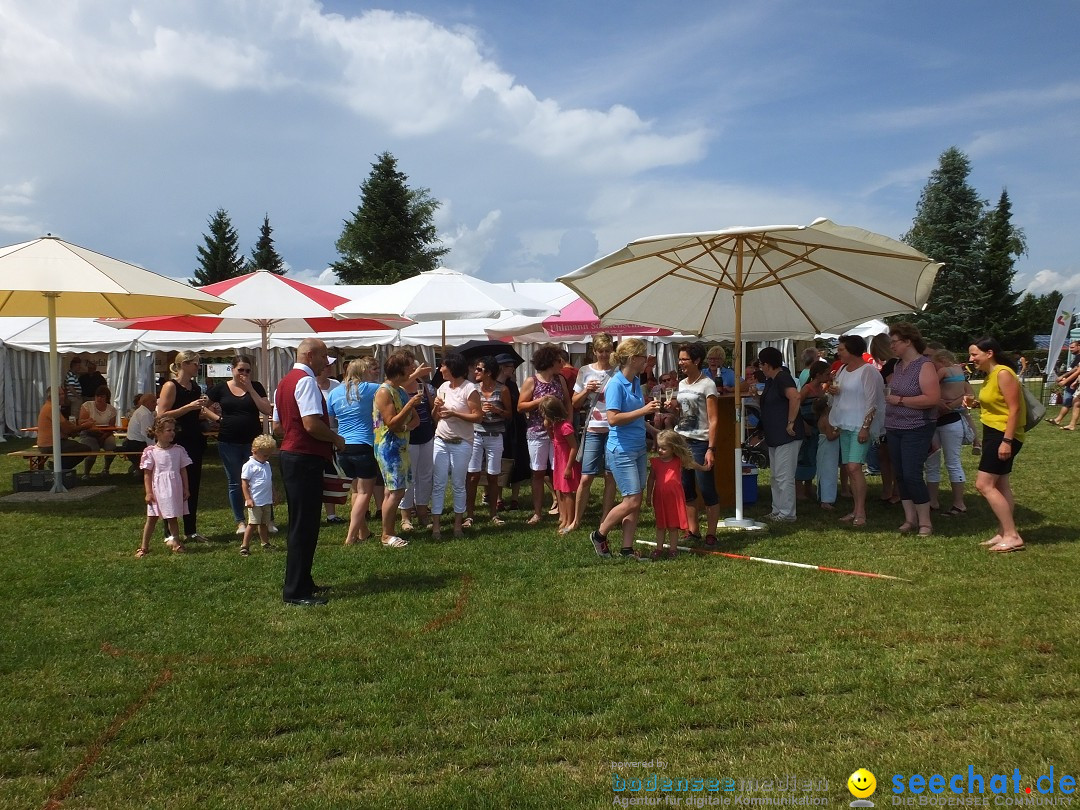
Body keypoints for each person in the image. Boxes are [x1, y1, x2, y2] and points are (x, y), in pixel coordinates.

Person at [275, 338, 345, 606]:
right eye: (323, 356)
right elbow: (311, 424)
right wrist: (336, 439)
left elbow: (280, 425)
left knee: (302, 523)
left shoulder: (285, 382)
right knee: (303, 526)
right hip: (304, 457)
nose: (325, 362)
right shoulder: (305, 382)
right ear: (311, 355)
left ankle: (303, 581)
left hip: (293, 455)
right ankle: (295, 591)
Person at [589, 337, 660, 559]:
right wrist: (644, 410)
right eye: (643, 357)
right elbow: (613, 418)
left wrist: (654, 431)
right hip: (621, 450)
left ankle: (627, 548)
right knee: (632, 499)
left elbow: (635, 418)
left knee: (635, 502)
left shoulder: (635, 382)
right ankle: (599, 534)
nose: (646, 360)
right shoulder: (616, 384)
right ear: (632, 358)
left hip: (638, 447)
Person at [967, 337, 1027, 553]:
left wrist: (1007, 441)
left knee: (984, 485)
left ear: (989, 353)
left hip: (1004, 435)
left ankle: (1012, 535)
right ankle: (1004, 532)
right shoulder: (990, 375)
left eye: (975, 354)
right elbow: (997, 404)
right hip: (994, 432)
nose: (971, 358)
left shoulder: (1003, 373)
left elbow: (1015, 409)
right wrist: (975, 404)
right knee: (1001, 485)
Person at [882, 323, 941, 537]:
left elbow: (932, 398)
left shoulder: (924, 365)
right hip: (894, 426)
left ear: (908, 342)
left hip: (917, 427)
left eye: (895, 342)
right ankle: (909, 519)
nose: (892, 346)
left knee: (912, 473)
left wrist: (900, 400)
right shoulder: (897, 366)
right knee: (900, 474)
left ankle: (925, 522)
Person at [207, 355, 273, 535]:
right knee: (236, 482)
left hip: (253, 442)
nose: (244, 373)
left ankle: (266, 520)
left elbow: (266, 409)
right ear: (232, 370)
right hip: (229, 441)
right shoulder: (221, 388)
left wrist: (251, 389)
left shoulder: (256, 386)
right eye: (240, 370)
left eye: (247, 370)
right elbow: (202, 406)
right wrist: (217, 419)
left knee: (261, 480)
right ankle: (241, 521)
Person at [157, 351, 218, 543]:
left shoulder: (194, 387)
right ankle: (169, 532)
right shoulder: (170, 386)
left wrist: (214, 417)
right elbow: (162, 415)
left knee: (191, 485)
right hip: (175, 441)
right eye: (195, 364)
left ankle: (190, 530)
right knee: (173, 486)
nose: (197, 367)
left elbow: (196, 412)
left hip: (193, 439)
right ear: (183, 364)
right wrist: (189, 407)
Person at [828, 336, 885, 528]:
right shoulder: (843, 369)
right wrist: (833, 392)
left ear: (852, 350)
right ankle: (854, 508)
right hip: (845, 424)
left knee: (854, 467)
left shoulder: (868, 371)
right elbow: (842, 392)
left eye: (842, 349)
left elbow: (873, 401)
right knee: (849, 468)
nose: (838, 352)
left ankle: (861, 511)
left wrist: (865, 427)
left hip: (860, 426)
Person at [327, 357, 384, 545]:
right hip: (363, 445)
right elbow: (391, 388)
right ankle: (350, 537)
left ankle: (363, 532)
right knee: (365, 493)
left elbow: (330, 419)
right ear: (363, 372)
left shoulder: (334, 393)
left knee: (356, 492)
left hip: (342, 447)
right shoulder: (369, 388)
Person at [669, 343, 719, 544]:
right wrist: (673, 408)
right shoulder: (682, 384)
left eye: (684, 359)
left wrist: (711, 448)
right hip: (681, 440)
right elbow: (684, 413)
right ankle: (693, 530)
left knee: (706, 487)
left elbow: (713, 419)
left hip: (700, 442)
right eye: (680, 359)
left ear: (696, 361)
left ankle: (712, 533)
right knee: (686, 487)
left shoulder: (708, 384)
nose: (680, 363)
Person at [373, 350, 424, 548]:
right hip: (389, 448)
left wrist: (407, 419)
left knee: (394, 491)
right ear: (399, 369)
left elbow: (415, 421)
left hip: (400, 446)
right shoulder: (385, 391)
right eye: (410, 365)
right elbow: (392, 422)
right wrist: (410, 404)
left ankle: (389, 531)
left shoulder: (400, 390)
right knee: (396, 492)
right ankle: (387, 535)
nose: (413, 368)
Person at [517, 345, 572, 525]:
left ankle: (562, 510)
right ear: (550, 362)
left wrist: (568, 423)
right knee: (538, 472)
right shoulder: (532, 381)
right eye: (559, 360)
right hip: (537, 431)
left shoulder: (560, 380)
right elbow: (520, 406)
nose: (562, 363)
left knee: (558, 471)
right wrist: (541, 400)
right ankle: (538, 512)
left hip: (557, 433)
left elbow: (567, 403)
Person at [431, 353, 483, 540]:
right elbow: (435, 417)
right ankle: (436, 527)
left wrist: (455, 413)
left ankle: (457, 526)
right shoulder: (443, 387)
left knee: (459, 484)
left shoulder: (469, 389)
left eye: (442, 365)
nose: (440, 369)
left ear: (452, 367)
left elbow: (478, 416)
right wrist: (436, 407)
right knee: (438, 484)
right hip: (441, 440)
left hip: (462, 443)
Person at [571, 334, 617, 533]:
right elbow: (574, 403)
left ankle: (605, 519)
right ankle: (576, 520)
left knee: (609, 475)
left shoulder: (618, 371)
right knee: (586, 477)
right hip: (593, 427)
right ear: (595, 352)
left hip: (614, 428)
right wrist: (586, 391)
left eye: (608, 351)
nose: (605, 355)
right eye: (601, 351)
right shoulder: (584, 371)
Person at [757, 346, 804, 523]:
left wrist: (791, 422)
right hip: (775, 436)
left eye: (761, 364)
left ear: (767, 364)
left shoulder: (783, 377)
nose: (760, 368)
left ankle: (788, 513)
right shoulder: (771, 380)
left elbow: (795, 397)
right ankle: (777, 509)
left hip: (786, 435)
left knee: (784, 476)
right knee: (776, 476)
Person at [646, 429, 709, 560]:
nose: (660, 451)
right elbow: (651, 479)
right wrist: (648, 496)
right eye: (659, 447)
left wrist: (704, 468)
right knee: (660, 525)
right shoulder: (655, 463)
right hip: (660, 498)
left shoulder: (678, 461)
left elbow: (692, 464)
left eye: (664, 448)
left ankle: (673, 549)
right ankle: (659, 548)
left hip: (674, 499)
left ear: (673, 448)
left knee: (672, 526)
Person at [925, 349, 973, 515]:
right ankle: (952, 502)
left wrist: (939, 402)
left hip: (944, 420)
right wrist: (954, 403)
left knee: (940, 463)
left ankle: (947, 502)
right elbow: (968, 392)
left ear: (942, 360)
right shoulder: (960, 370)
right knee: (951, 462)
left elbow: (928, 386)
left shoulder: (944, 371)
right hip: (950, 418)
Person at [135, 416, 191, 558]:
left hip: (173, 489)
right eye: (168, 430)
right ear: (158, 432)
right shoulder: (151, 452)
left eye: (173, 430)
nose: (172, 433)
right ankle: (144, 546)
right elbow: (147, 474)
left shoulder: (178, 450)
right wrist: (148, 492)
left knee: (172, 517)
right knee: (152, 518)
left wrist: (186, 488)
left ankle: (176, 542)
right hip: (157, 490)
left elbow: (183, 470)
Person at [467, 356, 510, 527]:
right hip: (476, 434)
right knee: (472, 476)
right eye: (476, 369)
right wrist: (479, 414)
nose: (476, 372)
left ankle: (494, 514)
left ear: (489, 372)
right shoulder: (473, 389)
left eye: (479, 369)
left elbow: (510, 415)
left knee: (493, 476)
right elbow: (469, 411)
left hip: (495, 436)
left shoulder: (503, 390)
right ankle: (469, 515)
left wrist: (497, 410)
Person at [400, 365, 436, 532]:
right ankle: (405, 517)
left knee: (425, 475)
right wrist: (415, 374)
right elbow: (399, 389)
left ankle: (422, 513)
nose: (416, 370)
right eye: (412, 367)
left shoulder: (420, 382)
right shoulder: (400, 384)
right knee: (409, 477)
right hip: (409, 436)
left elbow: (430, 407)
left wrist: (436, 407)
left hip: (426, 433)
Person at [539, 396, 580, 534]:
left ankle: (570, 521)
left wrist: (569, 467)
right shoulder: (555, 426)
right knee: (561, 491)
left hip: (566, 463)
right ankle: (564, 518)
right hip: (559, 462)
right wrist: (547, 428)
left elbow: (574, 447)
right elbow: (553, 440)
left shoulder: (565, 426)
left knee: (568, 493)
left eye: (544, 413)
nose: (543, 416)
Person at [796, 361, 830, 501]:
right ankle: (798, 489)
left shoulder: (821, 389)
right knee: (802, 457)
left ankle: (808, 486)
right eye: (826, 374)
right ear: (818, 375)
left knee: (812, 456)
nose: (828, 376)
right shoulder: (807, 389)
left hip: (815, 427)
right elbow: (796, 407)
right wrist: (803, 424)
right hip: (806, 426)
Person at [240, 434, 278, 557]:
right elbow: (244, 483)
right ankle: (245, 546)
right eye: (265, 455)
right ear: (254, 451)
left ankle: (265, 542)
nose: (267, 458)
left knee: (263, 523)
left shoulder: (266, 464)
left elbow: (269, 480)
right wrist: (248, 498)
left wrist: (273, 493)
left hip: (266, 500)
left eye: (269, 455)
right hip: (255, 501)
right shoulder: (249, 466)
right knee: (252, 523)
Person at [36, 387, 93, 469]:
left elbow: (66, 426)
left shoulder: (49, 407)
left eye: (63, 394)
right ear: (52, 396)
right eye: (60, 394)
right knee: (85, 449)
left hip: (47, 444)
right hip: (51, 445)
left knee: (76, 447)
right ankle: (60, 467)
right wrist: (85, 426)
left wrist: (79, 424)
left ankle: (60, 467)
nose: (63, 396)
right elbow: (68, 429)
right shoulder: (52, 409)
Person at [77, 385, 118, 477]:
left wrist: (103, 436)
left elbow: (111, 427)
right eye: (97, 396)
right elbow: (81, 421)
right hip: (88, 433)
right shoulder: (87, 405)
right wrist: (89, 423)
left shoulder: (111, 410)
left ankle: (106, 469)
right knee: (92, 449)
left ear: (107, 398)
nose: (99, 398)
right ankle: (86, 473)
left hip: (105, 433)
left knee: (111, 447)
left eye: (102, 396)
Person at [813, 396, 841, 510]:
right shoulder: (826, 419)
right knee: (828, 473)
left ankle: (824, 496)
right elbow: (830, 436)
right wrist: (840, 431)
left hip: (826, 449)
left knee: (825, 472)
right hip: (828, 449)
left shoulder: (822, 418)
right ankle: (826, 499)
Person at [121, 392, 156, 476]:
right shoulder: (144, 414)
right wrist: (154, 448)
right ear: (147, 403)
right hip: (136, 444)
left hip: (132, 442)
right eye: (154, 401)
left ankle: (138, 469)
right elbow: (147, 434)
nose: (156, 404)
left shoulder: (142, 412)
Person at [1049, 340, 1080, 430]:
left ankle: (1070, 424)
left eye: (1072, 347)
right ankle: (1066, 422)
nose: (1070, 349)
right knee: (1073, 403)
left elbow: (1077, 370)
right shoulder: (1076, 357)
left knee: (1075, 403)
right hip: (1074, 383)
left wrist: (1066, 380)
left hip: (1073, 383)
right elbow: (1075, 370)